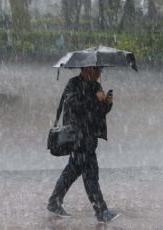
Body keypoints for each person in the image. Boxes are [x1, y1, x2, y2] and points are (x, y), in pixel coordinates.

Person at [47, 66, 119, 223]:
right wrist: (94, 99)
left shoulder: (96, 85)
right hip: (78, 137)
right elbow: (73, 106)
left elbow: (100, 111)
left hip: (90, 136)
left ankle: (54, 201)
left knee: (72, 171)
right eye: (97, 69)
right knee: (91, 175)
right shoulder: (73, 84)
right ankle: (101, 211)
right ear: (87, 69)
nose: (100, 73)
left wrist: (106, 103)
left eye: (100, 70)